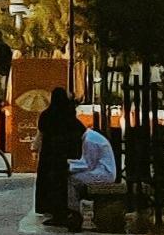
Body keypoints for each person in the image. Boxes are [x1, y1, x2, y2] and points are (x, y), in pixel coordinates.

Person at [34, 87, 79, 225]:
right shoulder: (69, 113)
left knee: (47, 179)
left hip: (49, 152)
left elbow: (41, 131)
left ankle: (46, 206)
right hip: (65, 152)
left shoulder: (46, 115)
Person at [67, 119, 119, 225]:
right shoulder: (91, 136)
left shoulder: (89, 141)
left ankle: (74, 211)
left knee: (72, 180)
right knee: (74, 177)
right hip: (102, 171)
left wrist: (69, 166)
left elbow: (88, 165)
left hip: (104, 174)